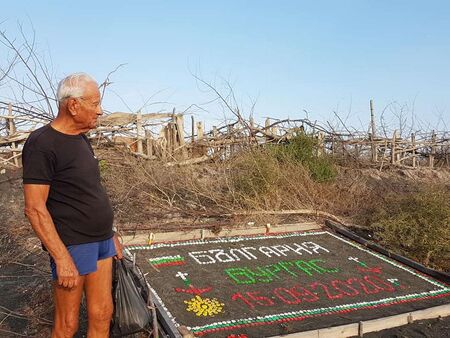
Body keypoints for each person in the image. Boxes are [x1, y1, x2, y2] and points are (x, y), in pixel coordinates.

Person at [22, 73, 123, 338]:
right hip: (73, 244)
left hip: (101, 240)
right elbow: (34, 207)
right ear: (74, 105)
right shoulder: (42, 143)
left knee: (102, 314)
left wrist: (110, 234)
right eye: (95, 103)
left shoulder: (81, 139)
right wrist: (61, 257)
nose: (100, 111)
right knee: (67, 325)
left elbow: (90, 191)